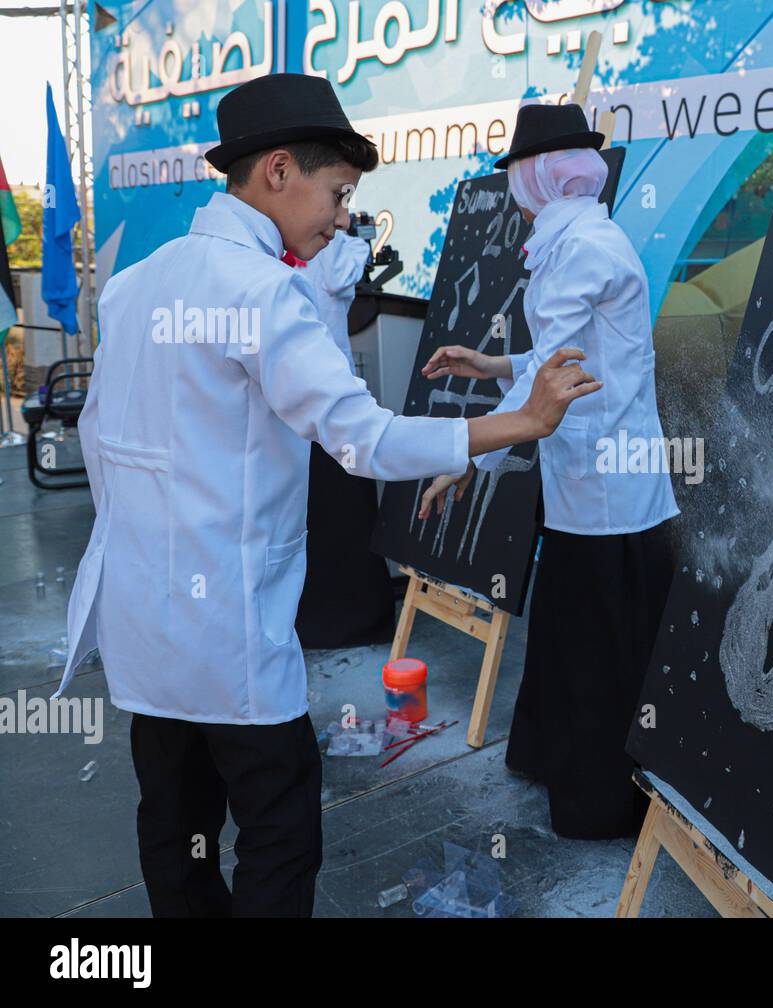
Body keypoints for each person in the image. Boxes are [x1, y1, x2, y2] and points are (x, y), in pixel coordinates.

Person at [54, 75, 600, 917]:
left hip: (143, 625)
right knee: (279, 832)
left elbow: (103, 438)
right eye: (337, 193)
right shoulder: (261, 293)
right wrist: (519, 421)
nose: (341, 217)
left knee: (175, 827)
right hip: (227, 637)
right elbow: (367, 440)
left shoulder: (141, 285)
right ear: (278, 171)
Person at [419, 103, 679, 839]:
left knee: (599, 653)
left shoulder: (588, 249)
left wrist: (469, 452)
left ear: (540, 174)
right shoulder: (571, 243)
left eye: (517, 171)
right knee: (575, 639)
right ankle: (554, 760)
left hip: (611, 493)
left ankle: (600, 802)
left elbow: (555, 376)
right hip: (585, 480)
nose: (513, 187)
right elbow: (553, 361)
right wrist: (492, 362)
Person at [293, 227, 396, 648]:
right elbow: (343, 275)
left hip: (299, 402)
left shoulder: (291, 250)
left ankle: (320, 619)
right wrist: (354, 238)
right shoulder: (339, 246)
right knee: (343, 514)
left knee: (317, 516)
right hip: (332, 396)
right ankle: (355, 619)